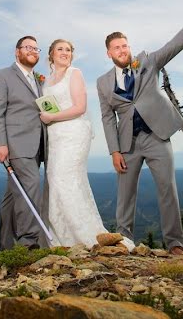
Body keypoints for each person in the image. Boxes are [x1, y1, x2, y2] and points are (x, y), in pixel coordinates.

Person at [97, 4, 183, 255]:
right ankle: (125, 241)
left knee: (167, 189)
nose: (122, 50)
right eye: (116, 47)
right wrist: (114, 151)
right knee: (125, 194)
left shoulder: (148, 61)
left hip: (157, 137)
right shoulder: (103, 83)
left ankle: (174, 244)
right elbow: (107, 118)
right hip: (127, 143)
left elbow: (175, 45)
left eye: (124, 45)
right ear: (109, 53)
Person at [40, 39, 134, 250]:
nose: (65, 53)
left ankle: (85, 236)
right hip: (55, 138)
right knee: (54, 183)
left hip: (73, 133)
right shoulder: (46, 81)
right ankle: (60, 238)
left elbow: (80, 107)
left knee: (67, 181)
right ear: (51, 54)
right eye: (60, 49)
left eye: (68, 50)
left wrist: (50, 118)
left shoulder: (75, 73)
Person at [0, 36, 49, 250]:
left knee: (13, 196)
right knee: (31, 188)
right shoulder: (2, 76)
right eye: (27, 47)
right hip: (15, 144)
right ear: (17, 52)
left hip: (37, 144)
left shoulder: (39, 80)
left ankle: (6, 247)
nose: (32, 50)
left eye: (36, 48)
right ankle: (29, 243)